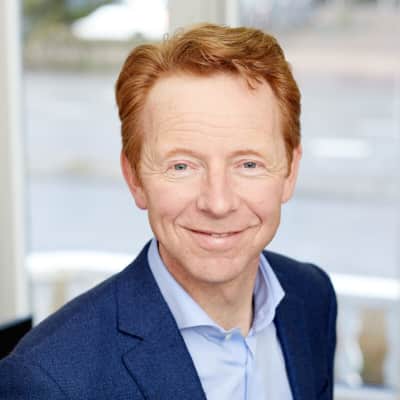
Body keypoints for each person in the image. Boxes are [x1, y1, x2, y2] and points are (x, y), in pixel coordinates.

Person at [0, 23, 336, 400]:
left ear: (290, 172)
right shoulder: (46, 381)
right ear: (135, 178)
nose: (218, 203)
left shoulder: (312, 297)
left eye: (248, 164)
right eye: (181, 166)